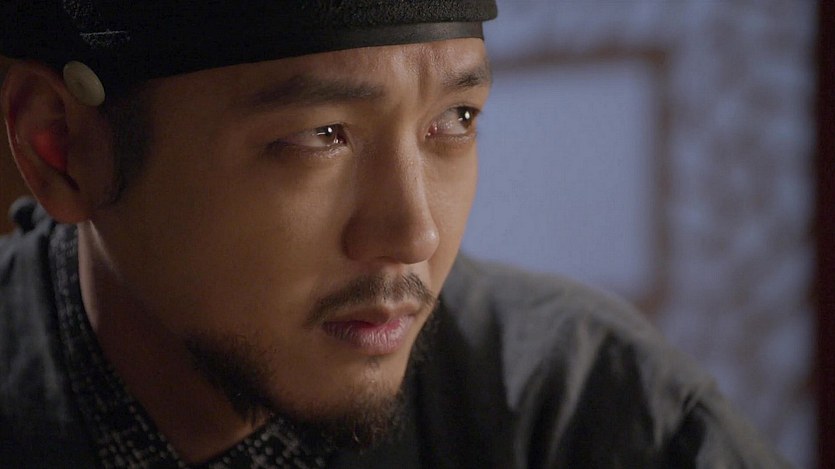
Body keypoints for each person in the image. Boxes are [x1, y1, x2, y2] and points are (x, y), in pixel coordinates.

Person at [0, 2, 793, 468]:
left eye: (455, 119)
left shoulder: (594, 417)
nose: (414, 233)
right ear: (63, 149)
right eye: (320, 134)